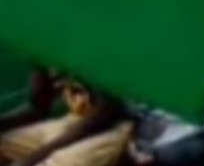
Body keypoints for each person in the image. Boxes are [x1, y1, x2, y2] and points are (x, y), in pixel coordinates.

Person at [0, 68, 131, 166]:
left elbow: (107, 111)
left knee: (60, 162)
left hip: (112, 126)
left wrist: (31, 159)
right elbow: (38, 108)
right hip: (74, 121)